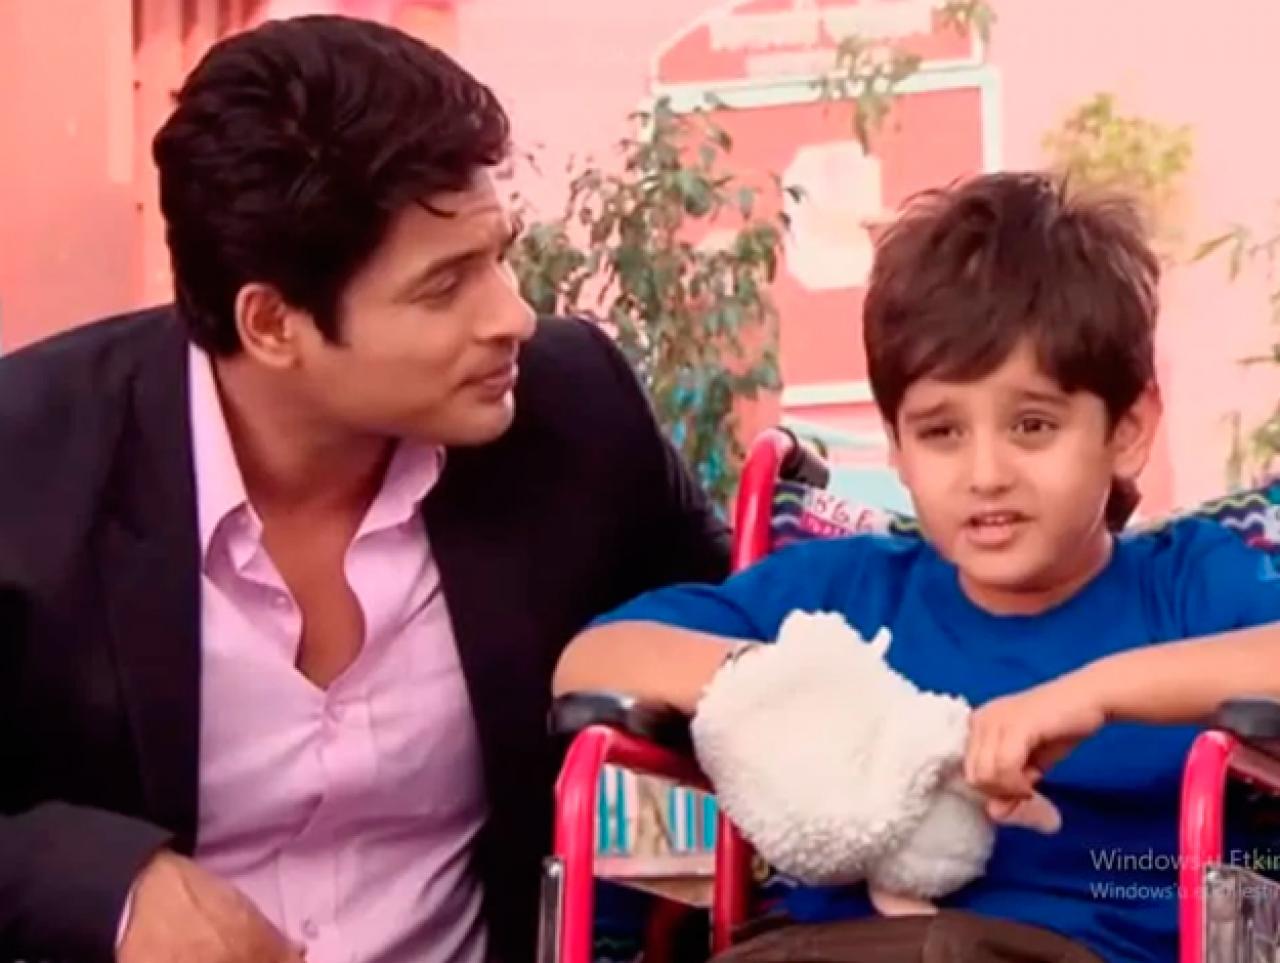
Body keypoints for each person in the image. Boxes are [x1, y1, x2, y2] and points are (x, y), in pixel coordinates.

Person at [0, 15, 729, 963]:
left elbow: (738, 627)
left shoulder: (575, 412)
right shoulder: (28, 464)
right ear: (272, 324)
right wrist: (111, 888)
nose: (513, 315)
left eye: (499, 254)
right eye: (444, 286)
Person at [554, 172, 1280, 963]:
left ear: (1128, 430)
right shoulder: (838, 595)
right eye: (941, 432)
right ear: (896, 447)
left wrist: (1095, 695)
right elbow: (592, 658)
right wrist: (797, 691)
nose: (986, 473)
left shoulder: (1189, 590)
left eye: (1032, 425)